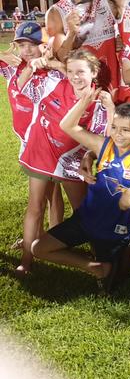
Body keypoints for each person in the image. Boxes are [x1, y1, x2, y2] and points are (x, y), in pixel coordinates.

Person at [32, 99, 130, 292]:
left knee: (113, 286)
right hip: (85, 220)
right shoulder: (103, 146)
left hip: (113, 230)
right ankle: (94, 268)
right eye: (114, 127)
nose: (118, 134)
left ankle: (128, 248)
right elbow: (67, 125)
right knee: (39, 248)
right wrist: (86, 100)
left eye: (125, 130)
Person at [18, 49, 110, 275]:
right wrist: (32, 66)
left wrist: (88, 157)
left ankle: (102, 257)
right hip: (41, 153)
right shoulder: (53, 82)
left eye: (81, 72)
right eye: (70, 71)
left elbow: (100, 139)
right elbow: (22, 86)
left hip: (72, 161)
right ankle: (27, 259)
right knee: (35, 206)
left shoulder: (101, 100)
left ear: (94, 72)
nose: (75, 77)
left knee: (83, 212)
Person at [0, 22, 65, 242]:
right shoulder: (11, 68)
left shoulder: (50, 72)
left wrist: (50, 61)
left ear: (45, 46)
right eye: (21, 44)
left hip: (46, 140)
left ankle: (55, 240)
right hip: (26, 140)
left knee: (52, 193)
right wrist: (2, 53)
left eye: (34, 44)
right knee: (43, 195)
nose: (27, 50)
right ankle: (39, 235)